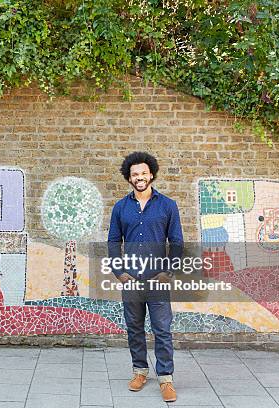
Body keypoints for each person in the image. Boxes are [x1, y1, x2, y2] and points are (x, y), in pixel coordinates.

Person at [107, 151, 183, 403]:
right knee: (134, 328)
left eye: (143, 173)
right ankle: (139, 371)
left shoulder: (167, 205)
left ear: (151, 174)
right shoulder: (120, 207)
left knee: (162, 329)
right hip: (131, 280)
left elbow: (177, 241)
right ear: (129, 178)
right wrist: (119, 272)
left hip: (157, 280)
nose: (139, 177)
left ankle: (166, 378)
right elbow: (113, 241)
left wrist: (169, 271)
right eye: (134, 174)